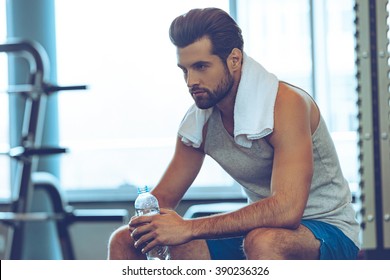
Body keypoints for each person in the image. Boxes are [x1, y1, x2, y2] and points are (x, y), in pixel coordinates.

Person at [108, 7, 360, 260]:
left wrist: (188, 228)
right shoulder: (199, 123)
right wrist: (150, 227)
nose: (190, 81)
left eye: (201, 67)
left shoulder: (285, 104)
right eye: (185, 70)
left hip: (328, 232)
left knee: (263, 241)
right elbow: (160, 201)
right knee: (124, 241)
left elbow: (287, 210)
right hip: (260, 230)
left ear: (234, 60)